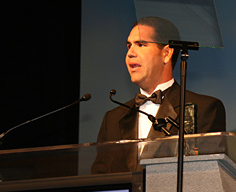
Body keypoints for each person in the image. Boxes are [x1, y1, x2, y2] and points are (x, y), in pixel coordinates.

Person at [92, 17, 226, 174]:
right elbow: (99, 181)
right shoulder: (112, 119)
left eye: (141, 44)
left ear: (167, 53)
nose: (130, 53)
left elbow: (207, 176)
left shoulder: (204, 109)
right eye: (129, 46)